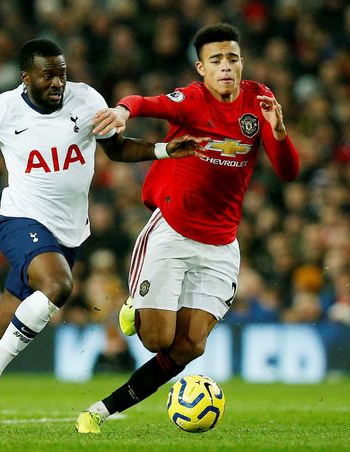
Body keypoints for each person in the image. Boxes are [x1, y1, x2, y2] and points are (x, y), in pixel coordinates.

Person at [0, 38, 206, 432]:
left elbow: (115, 150)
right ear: (25, 76)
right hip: (20, 221)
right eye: (48, 74)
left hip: (69, 234)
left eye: (62, 74)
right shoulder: (2, 110)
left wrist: (165, 150)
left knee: (2, 324)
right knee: (58, 285)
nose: (57, 82)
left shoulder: (87, 100)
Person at [75, 23, 300, 433]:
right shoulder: (191, 101)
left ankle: (102, 410)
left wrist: (280, 133)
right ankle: (135, 308)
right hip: (172, 232)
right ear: (201, 67)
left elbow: (288, 171)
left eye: (233, 58)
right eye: (216, 60)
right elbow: (144, 102)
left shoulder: (259, 100)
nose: (226, 67)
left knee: (189, 346)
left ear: (241, 62)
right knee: (158, 340)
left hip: (221, 243)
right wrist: (123, 111)